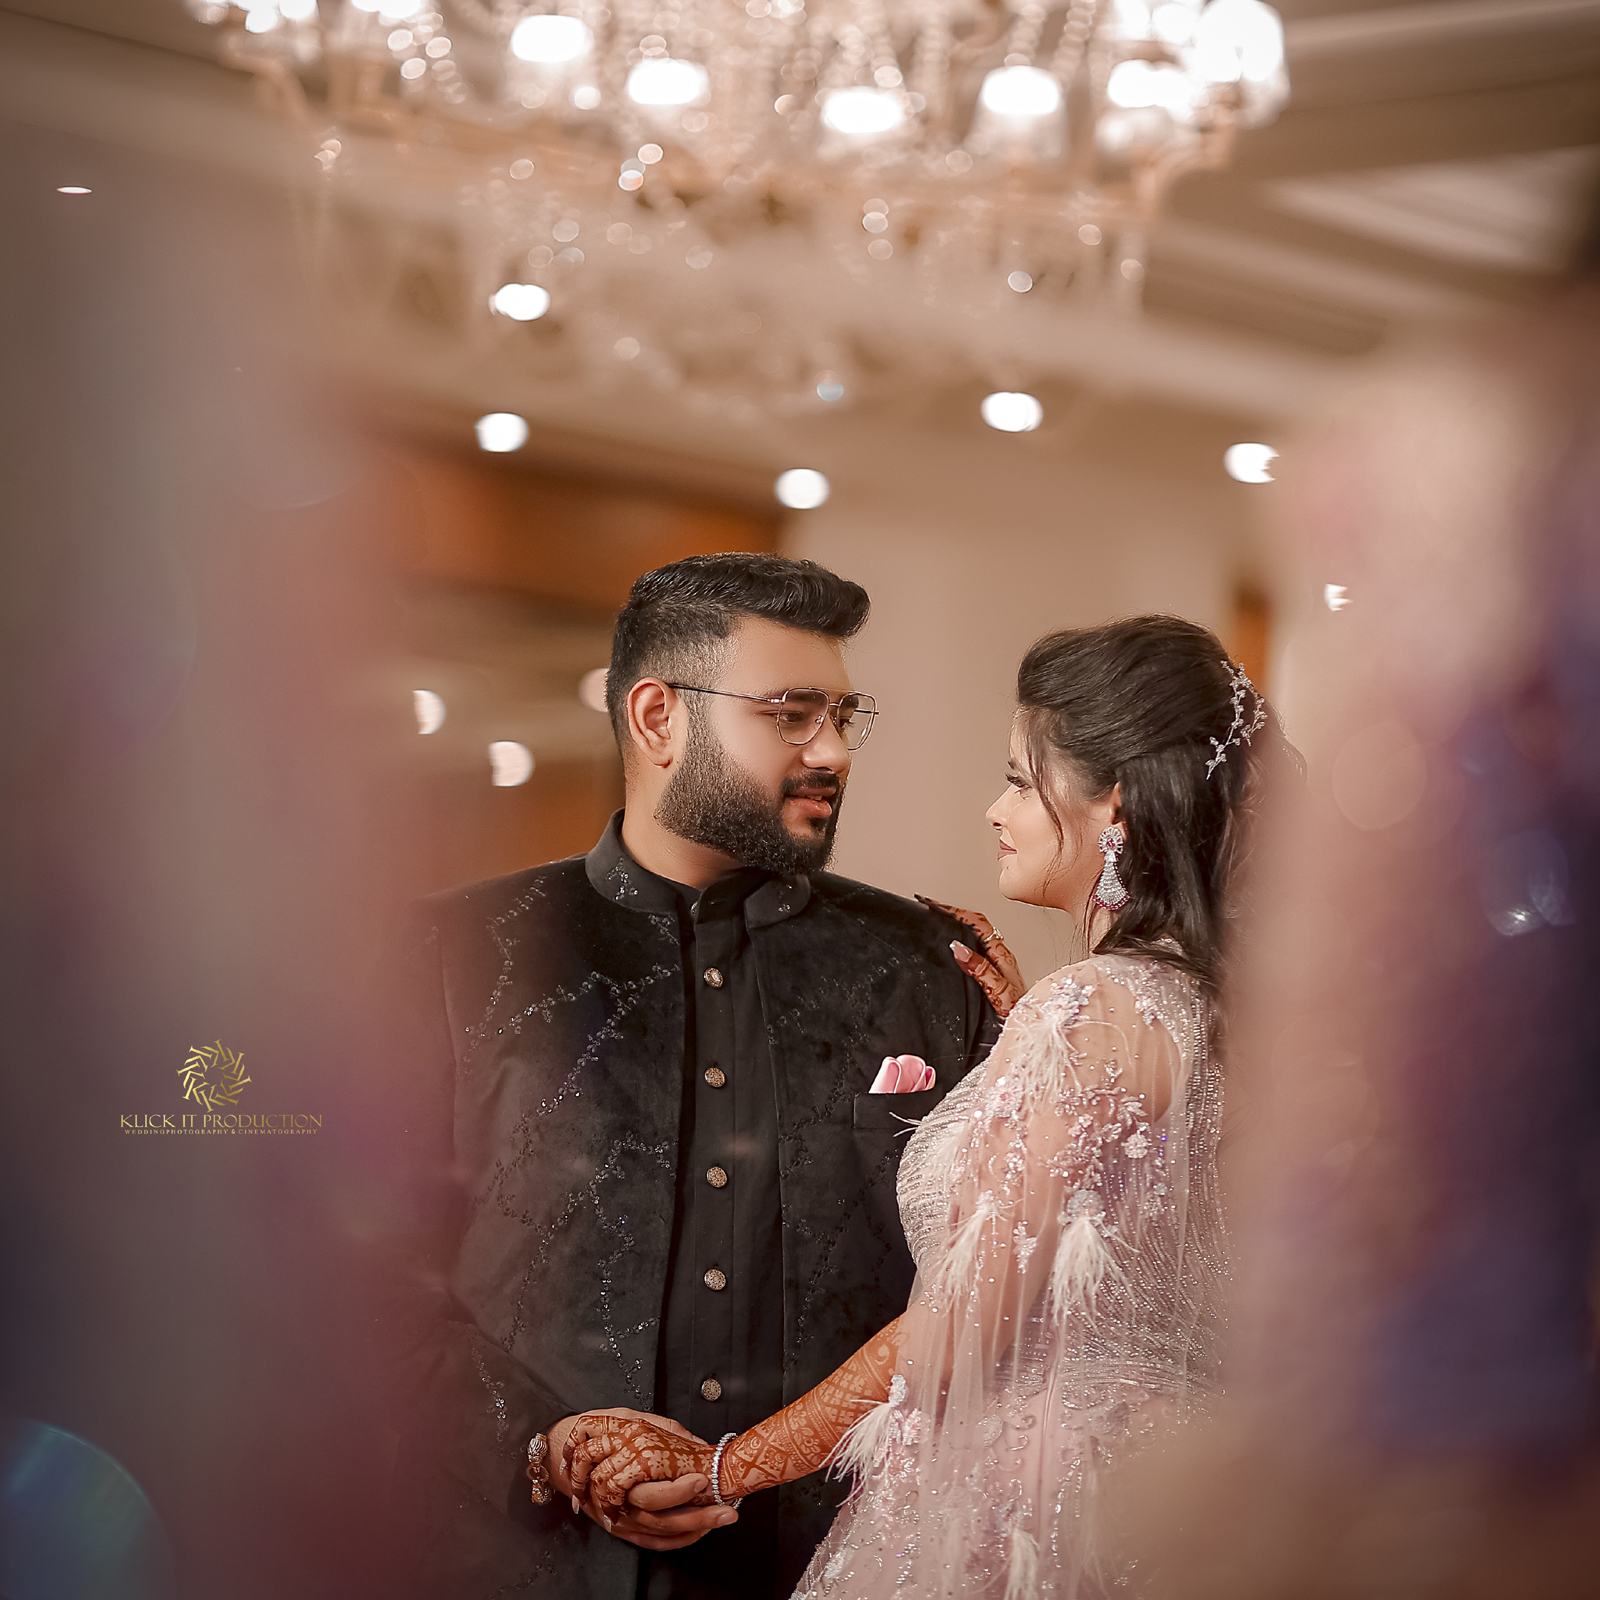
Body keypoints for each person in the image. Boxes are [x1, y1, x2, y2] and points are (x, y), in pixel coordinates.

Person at [562, 615, 1296, 1598]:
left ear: (1113, 805)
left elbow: (963, 1318)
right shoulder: (1219, 1012)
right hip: (1172, 1507)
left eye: (1020, 781)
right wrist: (1027, 1052)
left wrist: (729, 1465)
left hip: (1035, 1504)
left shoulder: (1090, 1009)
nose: (995, 809)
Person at [379, 553, 1002, 1600]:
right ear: (658, 717)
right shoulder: (445, 959)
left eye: (844, 715)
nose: (831, 751)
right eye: (791, 714)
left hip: (834, 1570)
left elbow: (996, 1275)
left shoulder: (930, 971)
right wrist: (539, 1446)